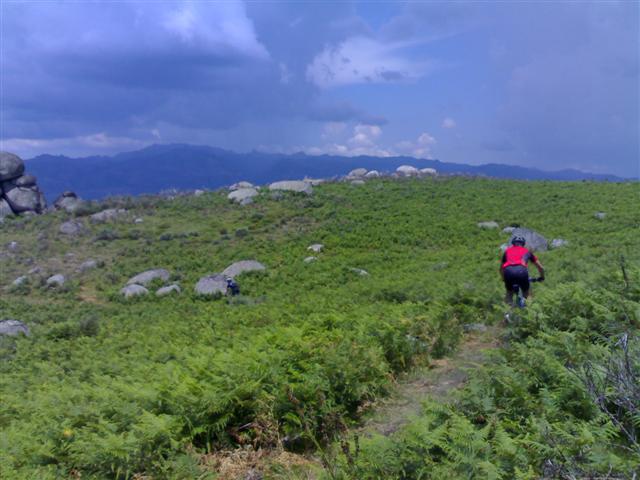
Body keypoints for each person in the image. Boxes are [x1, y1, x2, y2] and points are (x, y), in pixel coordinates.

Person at [500, 235, 544, 306]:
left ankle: (507, 311)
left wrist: (503, 278)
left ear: (513, 243)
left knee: (509, 293)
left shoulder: (507, 251)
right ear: (523, 244)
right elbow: (540, 267)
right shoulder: (527, 251)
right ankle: (529, 311)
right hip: (521, 271)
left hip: (508, 271)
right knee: (527, 294)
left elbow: (501, 268)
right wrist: (542, 277)